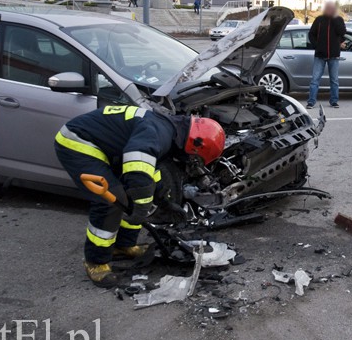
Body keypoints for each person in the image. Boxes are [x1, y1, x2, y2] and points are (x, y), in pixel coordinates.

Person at [54, 106, 225, 287]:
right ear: (195, 145)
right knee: (110, 200)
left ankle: (124, 245)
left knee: (133, 197)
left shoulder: (170, 131)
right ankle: (96, 262)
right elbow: (138, 166)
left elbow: (150, 170)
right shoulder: (160, 133)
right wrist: (142, 205)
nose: (191, 162)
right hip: (79, 141)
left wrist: (163, 201)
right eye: (195, 158)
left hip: (109, 146)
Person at [307, 1, 346, 109]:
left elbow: (342, 32)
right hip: (320, 55)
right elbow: (311, 34)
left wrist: (334, 18)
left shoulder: (338, 19)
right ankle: (311, 101)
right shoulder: (319, 20)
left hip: (334, 55)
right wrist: (317, 45)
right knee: (315, 80)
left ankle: (334, 101)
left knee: (334, 80)